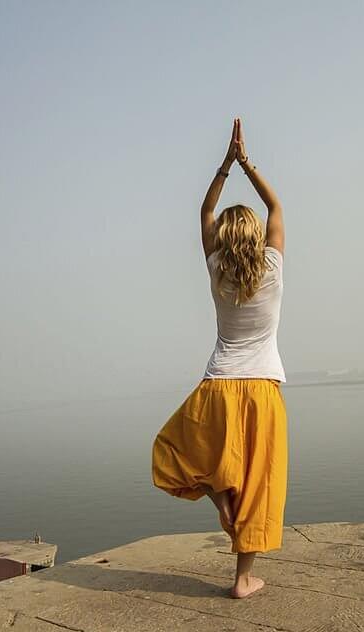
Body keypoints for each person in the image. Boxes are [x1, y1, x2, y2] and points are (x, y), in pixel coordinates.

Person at [153, 118, 287, 599]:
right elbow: (274, 204)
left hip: (218, 386)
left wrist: (225, 164)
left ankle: (218, 496)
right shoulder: (271, 266)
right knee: (258, 483)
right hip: (262, 391)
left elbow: (205, 209)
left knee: (172, 451)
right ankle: (243, 579)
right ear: (254, 237)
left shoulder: (215, 268)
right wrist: (248, 161)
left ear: (225, 240)